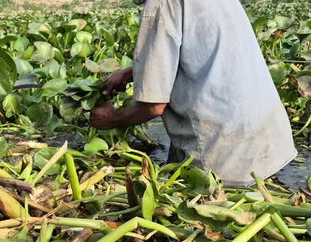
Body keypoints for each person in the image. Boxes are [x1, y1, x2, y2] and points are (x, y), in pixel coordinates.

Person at [90, 0, 297, 187]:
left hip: (225, 156)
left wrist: (110, 120)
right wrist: (134, 72)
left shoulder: (161, 4)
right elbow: (203, 52)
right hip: (268, 139)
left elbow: (153, 107)